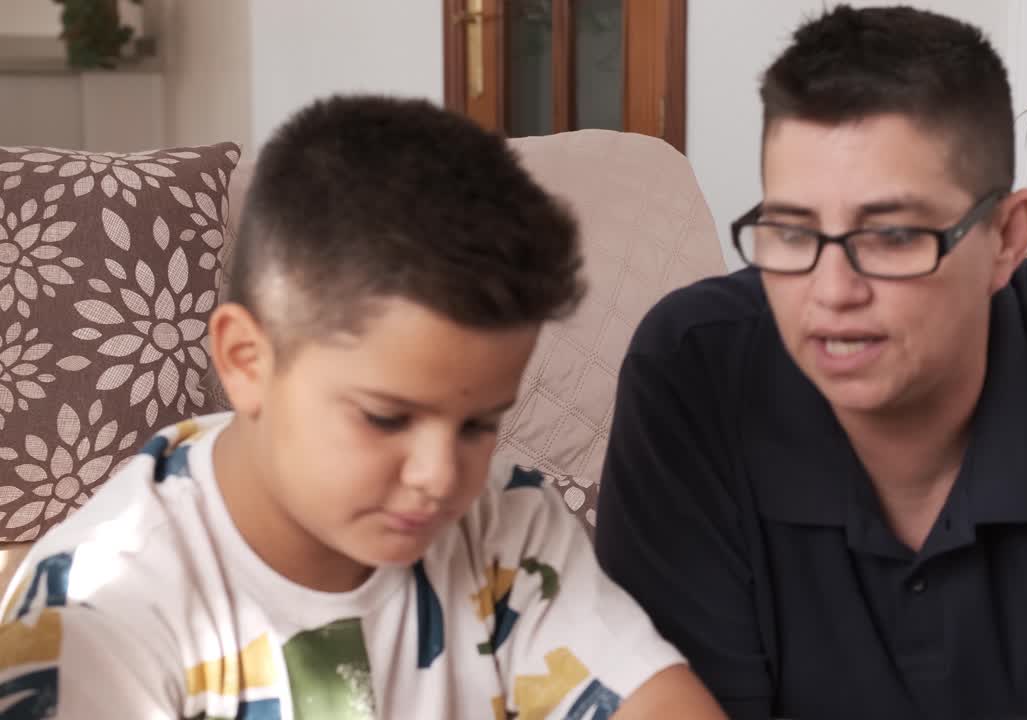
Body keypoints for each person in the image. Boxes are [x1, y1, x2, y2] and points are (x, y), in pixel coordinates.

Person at [594, 5, 1027, 719]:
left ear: (1008, 238)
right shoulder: (691, 369)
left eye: (891, 235)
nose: (830, 294)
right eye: (792, 233)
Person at [0, 95, 725, 720]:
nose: (441, 476)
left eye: (478, 424)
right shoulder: (101, 606)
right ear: (248, 362)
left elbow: (655, 698)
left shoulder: (512, 526)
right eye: (386, 417)